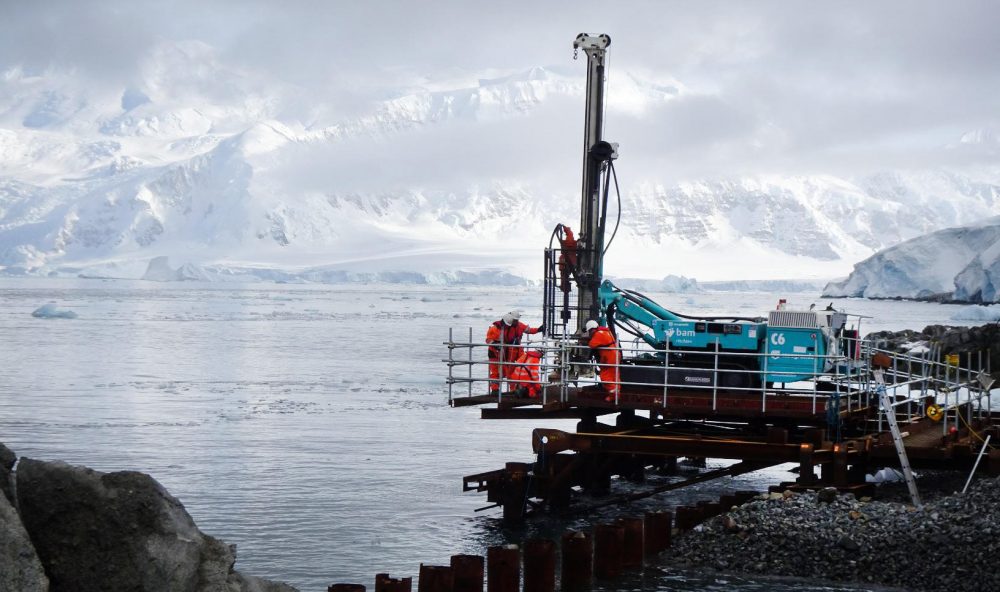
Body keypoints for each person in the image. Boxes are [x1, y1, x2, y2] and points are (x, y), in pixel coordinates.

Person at [486, 310, 544, 395]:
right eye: (515, 321)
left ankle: (513, 389)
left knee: (512, 371)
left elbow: (529, 330)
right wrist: (495, 344)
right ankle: (495, 390)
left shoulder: (519, 326)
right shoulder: (495, 328)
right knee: (496, 372)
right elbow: (488, 340)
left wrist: (539, 329)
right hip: (495, 353)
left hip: (510, 352)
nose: (516, 322)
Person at [584, 319, 621, 402]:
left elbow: (591, 345)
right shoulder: (605, 331)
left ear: (592, 329)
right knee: (614, 376)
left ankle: (613, 394)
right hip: (615, 355)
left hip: (609, 357)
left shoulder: (598, 334)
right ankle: (616, 395)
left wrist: (587, 340)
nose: (590, 333)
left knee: (605, 376)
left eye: (590, 331)